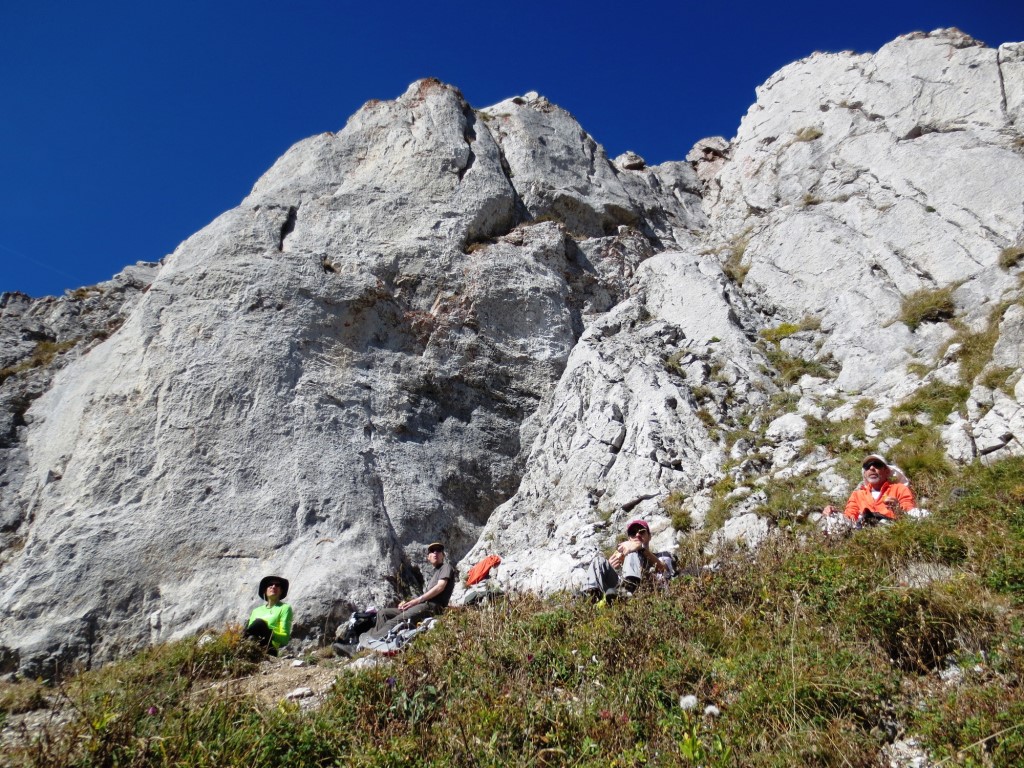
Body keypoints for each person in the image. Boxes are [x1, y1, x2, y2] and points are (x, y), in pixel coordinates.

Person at [334, 542, 456, 655]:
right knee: (383, 614)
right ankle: (360, 642)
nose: (435, 553)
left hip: (433, 607)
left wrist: (417, 600)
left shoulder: (446, 567)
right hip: (423, 605)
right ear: (428, 557)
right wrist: (410, 603)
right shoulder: (436, 572)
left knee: (396, 620)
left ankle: (361, 648)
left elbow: (440, 587)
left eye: (439, 550)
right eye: (432, 551)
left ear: (443, 555)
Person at [583, 519, 668, 602]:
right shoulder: (624, 559)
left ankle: (628, 588)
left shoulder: (662, 556)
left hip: (647, 593)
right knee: (599, 561)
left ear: (649, 536)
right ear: (629, 538)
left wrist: (640, 549)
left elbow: (665, 570)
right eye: (633, 533)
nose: (637, 535)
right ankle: (590, 595)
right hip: (617, 592)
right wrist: (609, 567)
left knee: (633, 552)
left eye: (642, 531)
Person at [823, 454, 916, 525]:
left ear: (886, 471)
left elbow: (909, 511)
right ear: (865, 474)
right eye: (867, 466)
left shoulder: (899, 489)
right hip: (864, 533)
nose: (872, 468)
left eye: (877, 465)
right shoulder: (857, 495)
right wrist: (833, 513)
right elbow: (849, 517)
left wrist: (897, 507)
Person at [244, 575, 293, 655]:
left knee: (260, 623)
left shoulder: (285, 608)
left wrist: (269, 632)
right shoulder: (256, 611)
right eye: (270, 585)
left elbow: (285, 639)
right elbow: (250, 631)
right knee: (251, 634)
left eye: (277, 585)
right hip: (254, 644)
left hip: (270, 648)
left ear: (281, 591)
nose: (273, 587)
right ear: (265, 591)